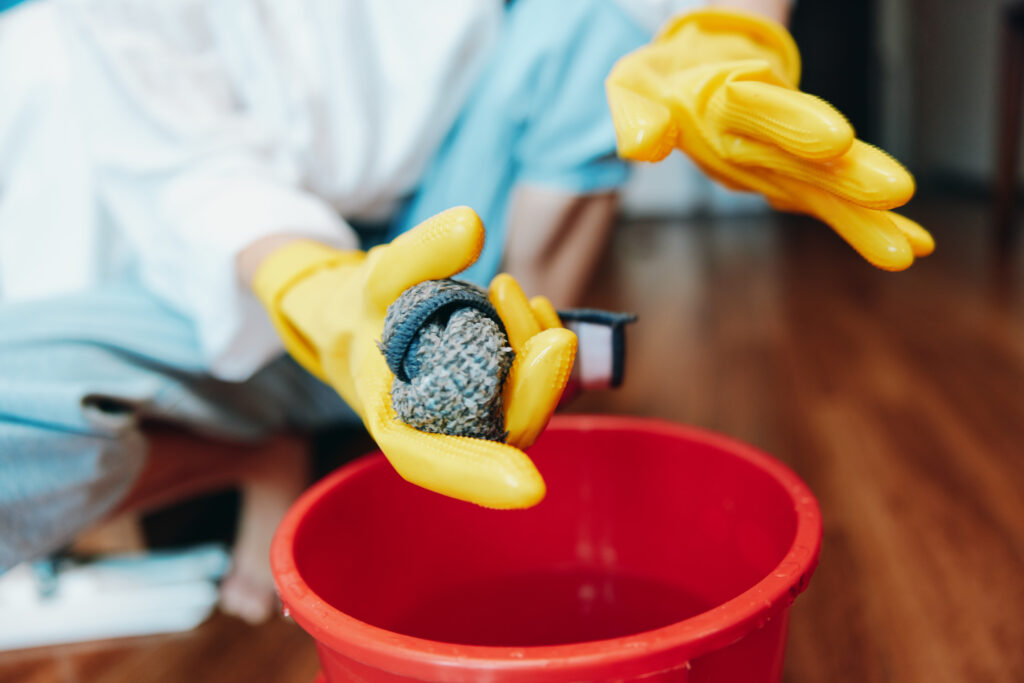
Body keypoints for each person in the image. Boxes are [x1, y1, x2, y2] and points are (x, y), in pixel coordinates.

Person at [0, 0, 928, 625]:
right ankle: (258, 454)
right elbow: (192, 181)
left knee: (597, 22)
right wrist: (316, 297)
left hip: (456, 222)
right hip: (231, 275)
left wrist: (725, 34)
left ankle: (529, 396)